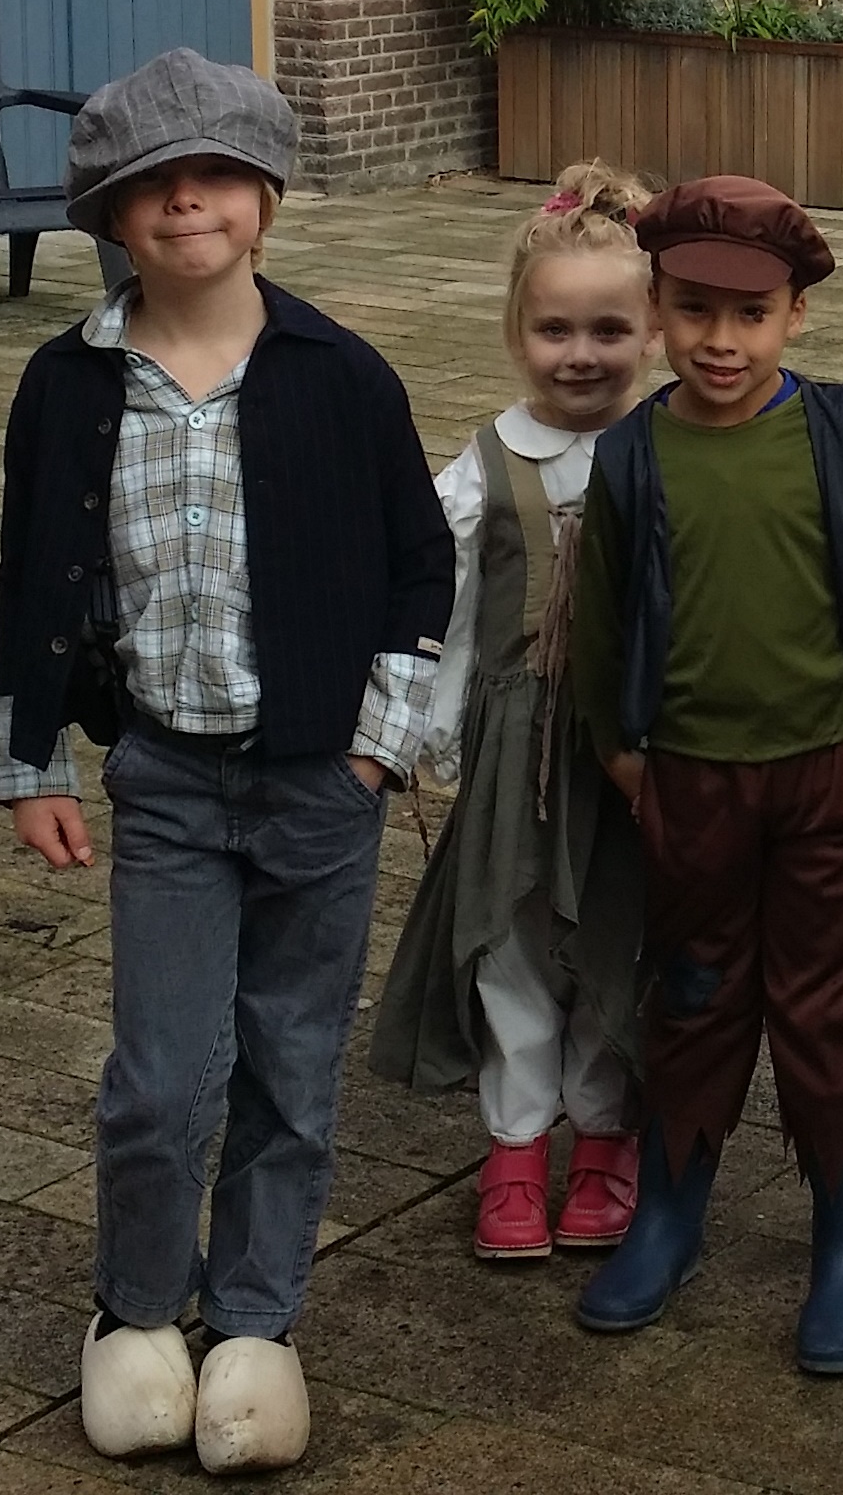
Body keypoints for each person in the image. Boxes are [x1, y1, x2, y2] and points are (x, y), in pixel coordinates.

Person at [0, 48, 453, 1476]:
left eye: (215, 178)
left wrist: (376, 754)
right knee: (160, 1077)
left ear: (264, 194)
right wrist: (34, 761)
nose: (186, 205)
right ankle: (134, 1314)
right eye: (151, 186)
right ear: (110, 215)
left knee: (290, 1068)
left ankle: (255, 1322)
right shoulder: (68, 383)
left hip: (322, 782)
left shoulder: (338, 378)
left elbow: (418, 571)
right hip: (170, 784)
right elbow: (33, 578)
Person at [561, 175, 843, 1378]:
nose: (723, 341)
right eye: (694, 312)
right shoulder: (630, 456)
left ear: (796, 316)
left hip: (834, 773)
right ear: (659, 310)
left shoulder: (838, 427)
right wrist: (625, 756)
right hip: (692, 780)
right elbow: (602, 617)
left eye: (752, 315)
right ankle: (669, 1212)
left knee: (828, 1008)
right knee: (698, 991)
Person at [369, 164, 658, 1261]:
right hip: (510, 750)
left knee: (618, 940)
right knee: (511, 943)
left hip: (625, 752)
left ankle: (606, 1134)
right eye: (554, 329)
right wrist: (425, 727)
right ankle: (513, 1146)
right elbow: (436, 602)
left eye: (608, 328)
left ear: (652, 331)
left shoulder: (662, 451)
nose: (580, 353)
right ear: (515, 331)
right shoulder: (485, 466)